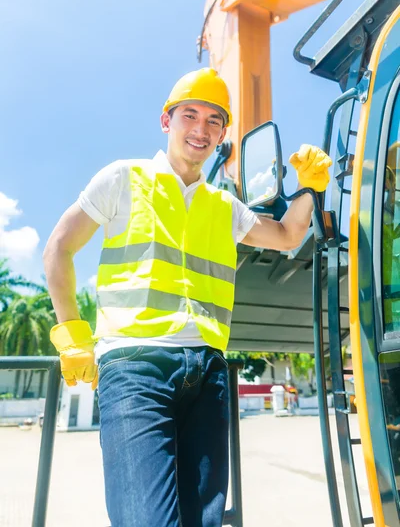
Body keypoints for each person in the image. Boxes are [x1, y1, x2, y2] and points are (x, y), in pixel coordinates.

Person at [43, 67, 332, 527]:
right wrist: (71, 333)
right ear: (166, 121)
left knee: (203, 522)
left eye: (214, 121)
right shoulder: (124, 177)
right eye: (189, 115)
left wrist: (310, 186)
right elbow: (59, 247)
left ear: (222, 135)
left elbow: (287, 235)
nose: (201, 129)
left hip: (208, 370)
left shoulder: (224, 206)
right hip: (136, 368)